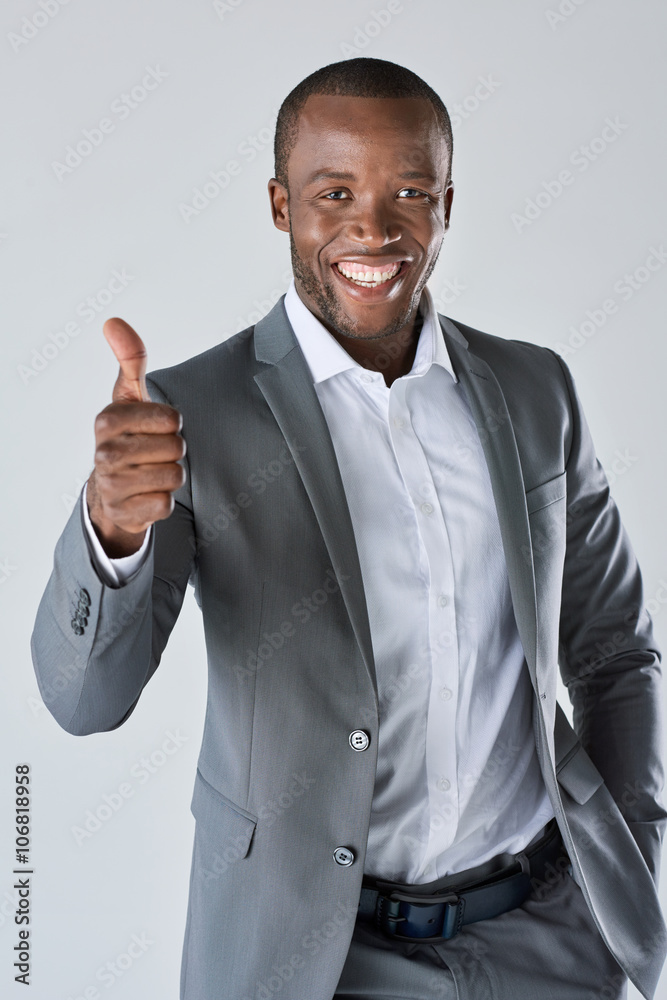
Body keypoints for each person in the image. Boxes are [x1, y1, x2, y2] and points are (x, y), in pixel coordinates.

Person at [31, 57, 666, 1000]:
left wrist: (635, 850)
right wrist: (111, 532)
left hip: (547, 940)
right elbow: (84, 703)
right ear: (282, 206)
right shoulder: (191, 414)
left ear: (447, 203)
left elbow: (615, 652)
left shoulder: (537, 393)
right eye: (335, 192)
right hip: (314, 957)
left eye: (409, 190)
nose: (373, 227)